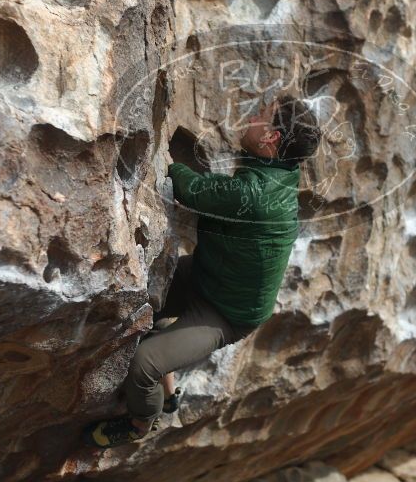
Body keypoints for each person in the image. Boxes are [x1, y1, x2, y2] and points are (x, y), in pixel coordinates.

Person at [83, 94, 321, 448]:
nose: (252, 115)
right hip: (206, 273)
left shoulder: (256, 194)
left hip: (226, 314)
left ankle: (138, 424)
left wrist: (166, 160)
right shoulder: (282, 167)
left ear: (271, 138)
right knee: (144, 300)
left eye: (262, 115)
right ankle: (171, 388)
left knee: (145, 362)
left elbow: (191, 189)